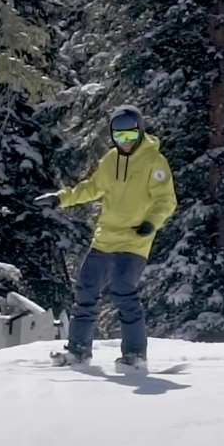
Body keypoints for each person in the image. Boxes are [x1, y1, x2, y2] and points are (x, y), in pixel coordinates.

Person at [36, 105, 176, 371]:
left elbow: (166, 199)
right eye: (119, 137)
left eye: (131, 137)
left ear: (140, 133)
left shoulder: (154, 162)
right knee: (85, 291)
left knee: (124, 291)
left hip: (135, 239)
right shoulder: (110, 161)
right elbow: (92, 188)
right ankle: (78, 350)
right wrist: (61, 198)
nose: (126, 143)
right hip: (104, 238)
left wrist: (150, 223)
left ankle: (135, 354)